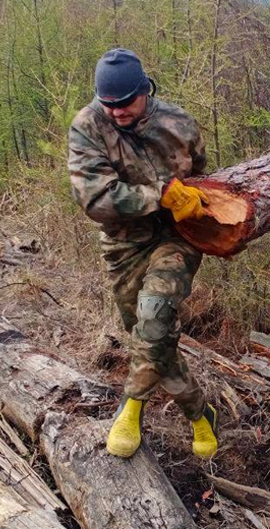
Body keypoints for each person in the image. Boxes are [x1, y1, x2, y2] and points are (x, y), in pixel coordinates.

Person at [68, 48, 218, 460]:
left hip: (177, 238)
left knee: (154, 314)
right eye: (108, 104)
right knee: (152, 338)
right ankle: (201, 414)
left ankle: (130, 407)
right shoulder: (87, 127)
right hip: (122, 245)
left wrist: (196, 205)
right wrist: (161, 196)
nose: (116, 112)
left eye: (125, 104)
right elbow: (96, 199)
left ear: (145, 90)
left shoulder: (179, 123)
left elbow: (204, 179)